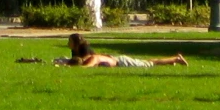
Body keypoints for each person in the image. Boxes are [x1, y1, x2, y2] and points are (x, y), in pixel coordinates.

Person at [56, 32, 188, 69]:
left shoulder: (91, 57)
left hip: (122, 62)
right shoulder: (83, 56)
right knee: (148, 61)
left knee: (149, 63)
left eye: (70, 41)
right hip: (117, 60)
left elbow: (86, 67)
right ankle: (172, 61)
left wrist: (67, 66)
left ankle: (176, 58)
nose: (68, 44)